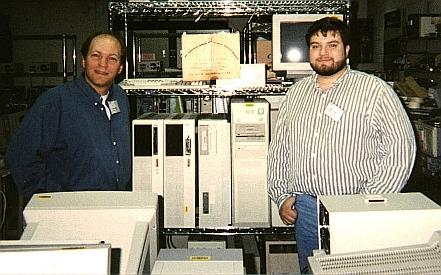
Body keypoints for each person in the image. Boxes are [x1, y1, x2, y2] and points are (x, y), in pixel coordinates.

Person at [267, 17, 416, 273]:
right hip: (306, 210)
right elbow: (280, 149)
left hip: (354, 209)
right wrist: (280, 195)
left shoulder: (374, 91)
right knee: (311, 270)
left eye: (332, 45)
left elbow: (400, 151)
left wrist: (367, 202)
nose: (323, 53)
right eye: (315, 46)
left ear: (347, 50)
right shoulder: (295, 94)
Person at [5, 32, 131, 200]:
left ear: (121, 67)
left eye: (112, 58)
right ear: (83, 60)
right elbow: (19, 156)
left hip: (115, 202)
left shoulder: (120, 98)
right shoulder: (55, 101)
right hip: (71, 209)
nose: (103, 64)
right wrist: (50, 199)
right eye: (96, 56)